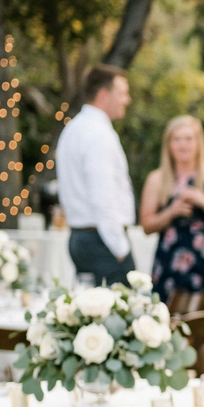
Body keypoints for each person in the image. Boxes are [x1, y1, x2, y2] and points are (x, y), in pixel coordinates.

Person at [139, 115, 204, 303]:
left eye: (189, 139)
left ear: (198, 143)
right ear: (168, 144)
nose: (183, 145)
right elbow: (146, 226)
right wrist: (171, 212)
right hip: (169, 261)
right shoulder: (157, 179)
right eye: (177, 139)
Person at [56, 64, 136, 286]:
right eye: (122, 93)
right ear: (103, 94)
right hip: (102, 241)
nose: (126, 100)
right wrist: (120, 248)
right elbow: (103, 197)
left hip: (82, 237)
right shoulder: (97, 133)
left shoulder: (73, 128)